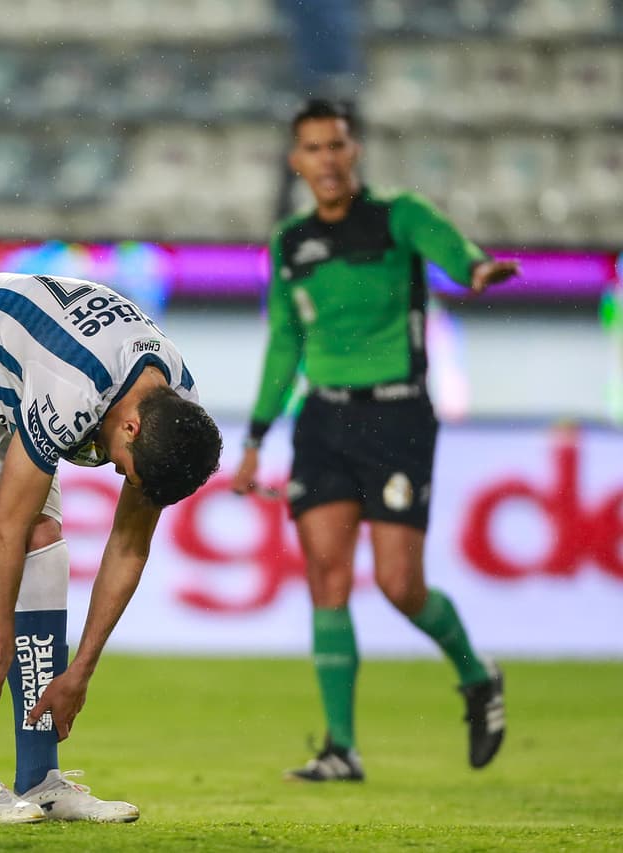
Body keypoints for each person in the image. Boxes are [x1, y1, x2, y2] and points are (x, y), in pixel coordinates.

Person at [230, 99, 518, 782]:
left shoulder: (400, 215)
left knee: (397, 582)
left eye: (336, 145)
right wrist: (256, 435)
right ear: (296, 162)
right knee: (327, 578)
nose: (326, 160)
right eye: (313, 148)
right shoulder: (291, 242)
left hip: (397, 418)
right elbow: (284, 341)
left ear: (353, 151)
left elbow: (454, 251)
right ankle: (342, 747)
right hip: (323, 421)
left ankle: (478, 675)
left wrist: (476, 269)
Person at [0, 272, 223, 823]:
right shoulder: (74, 388)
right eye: (128, 473)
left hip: (8, 381)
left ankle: (40, 781)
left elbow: (130, 546)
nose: (126, 481)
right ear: (128, 427)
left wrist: (81, 669)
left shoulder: (173, 414)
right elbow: (2, 529)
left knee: (46, 537)